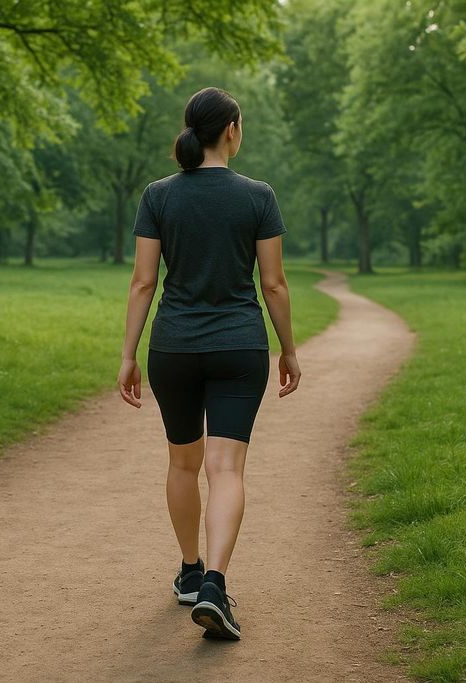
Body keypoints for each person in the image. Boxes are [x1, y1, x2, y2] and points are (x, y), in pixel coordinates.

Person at [117, 86, 301, 641]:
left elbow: (144, 281)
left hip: (173, 346)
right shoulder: (258, 196)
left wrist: (128, 355)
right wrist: (288, 349)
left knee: (182, 464)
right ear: (232, 131)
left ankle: (191, 572)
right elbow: (273, 283)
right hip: (239, 347)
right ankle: (217, 584)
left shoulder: (159, 196)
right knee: (226, 469)